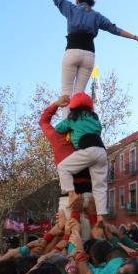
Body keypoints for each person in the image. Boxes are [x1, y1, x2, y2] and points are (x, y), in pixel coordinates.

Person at [32, 0, 138, 116]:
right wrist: (135, 37)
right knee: (79, 94)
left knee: (66, 93)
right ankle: (78, 128)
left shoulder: (71, 9)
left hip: (72, 51)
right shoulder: (97, 16)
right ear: (90, 2)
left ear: (77, 0)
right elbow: (115, 29)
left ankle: (68, 130)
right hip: (89, 55)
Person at [39, 95, 95, 235]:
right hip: (88, 193)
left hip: (68, 196)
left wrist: (56, 104)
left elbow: (43, 121)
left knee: (69, 237)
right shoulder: (87, 135)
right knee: (90, 240)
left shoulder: (55, 136)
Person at [55, 92, 108, 220]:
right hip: (101, 151)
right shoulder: (95, 119)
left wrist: (71, 129)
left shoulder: (73, 118)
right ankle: (101, 215)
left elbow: (58, 128)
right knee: (99, 185)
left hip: (87, 149)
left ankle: (71, 193)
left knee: (63, 168)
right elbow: (99, 130)